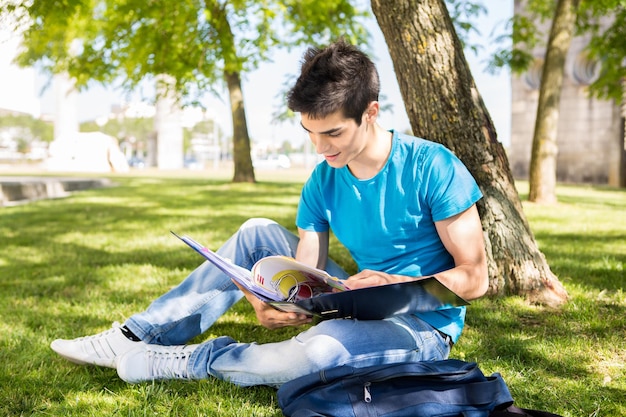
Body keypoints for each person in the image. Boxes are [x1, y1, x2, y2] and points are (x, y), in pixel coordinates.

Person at [50, 39, 489, 386]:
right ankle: (135, 335)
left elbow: (476, 279)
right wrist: (270, 296)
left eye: (333, 132)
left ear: (370, 112)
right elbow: (305, 268)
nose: (321, 148)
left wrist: (397, 282)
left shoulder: (433, 166)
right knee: (256, 230)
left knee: (318, 352)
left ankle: (192, 360)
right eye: (310, 133)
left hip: (423, 328)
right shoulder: (323, 180)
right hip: (357, 301)